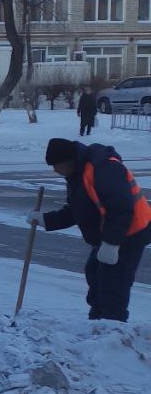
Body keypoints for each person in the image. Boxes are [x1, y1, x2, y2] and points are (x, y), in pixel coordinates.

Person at [29, 138, 151, 322]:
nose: (55, 170)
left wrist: (111, 244)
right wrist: (46, 220)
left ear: (68, 160)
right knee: (94, 273)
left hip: (130, 232)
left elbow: (121, 207)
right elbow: (77, 210)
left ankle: (113, 331)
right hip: (111, 232)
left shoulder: (104, 169)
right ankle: (97, 321)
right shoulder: (77, 174)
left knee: (112, 285)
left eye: (56, 165)